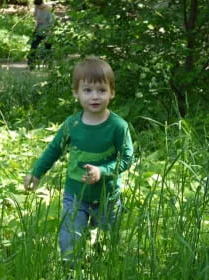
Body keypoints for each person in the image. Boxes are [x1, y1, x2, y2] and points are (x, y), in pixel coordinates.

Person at [24, 57, 134, 265]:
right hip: (75, 195)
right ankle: (70, 273)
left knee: (110, 242)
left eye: (101, 90)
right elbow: (54, 150)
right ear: (76, 93)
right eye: (87, 90)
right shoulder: (72, 124)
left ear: (112, 92)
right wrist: (36, 172)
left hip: (107, 197)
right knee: (69, 239)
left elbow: (127, 158)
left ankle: (107, 272)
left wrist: (102, 171)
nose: (95, 96)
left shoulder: (118, 126)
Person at [28, 0, 54, 69]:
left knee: (48, 47)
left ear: (42, 4)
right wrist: (37, 19)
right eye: (37, 7)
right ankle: (31, 63)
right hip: (38, 29)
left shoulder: (48, 10)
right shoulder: (36, 7)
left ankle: (48, 64)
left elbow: (51, 23)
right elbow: (35, 16)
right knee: (33, 46)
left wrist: (49, 32)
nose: (38, 8)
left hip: (47, 31)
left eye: (39, 6)